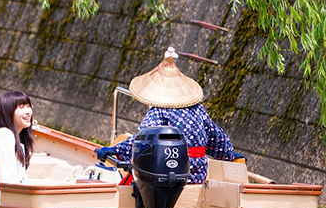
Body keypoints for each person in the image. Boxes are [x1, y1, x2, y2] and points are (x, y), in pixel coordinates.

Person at [96, 47, 235, 184]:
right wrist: (230, 155)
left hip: (171, 174)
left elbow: (141, 140)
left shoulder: (159, 111)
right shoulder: (198, 109)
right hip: (198, 175)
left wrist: (115, 149)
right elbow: (217, 138)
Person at [0, 91, 34, 203]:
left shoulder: (19, 137)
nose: (28, 112)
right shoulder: (4, 134)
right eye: (21, 107)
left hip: (10, 199)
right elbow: (9, 180)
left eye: (28, 106)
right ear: (8, 112)